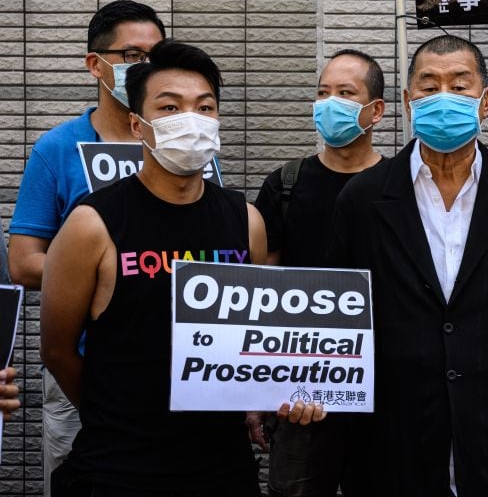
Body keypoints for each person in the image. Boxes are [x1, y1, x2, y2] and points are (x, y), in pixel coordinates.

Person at [40, 40, 319, 496]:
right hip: (118, 469)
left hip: (223, 467)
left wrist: (277, 395)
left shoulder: (245, 220)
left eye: (204, 107)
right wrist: (116, 416)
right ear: (138, 125)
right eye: (169, 107)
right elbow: (57, 349)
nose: (190, 119)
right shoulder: (93, 224)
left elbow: (252, 339)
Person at [328, 35, 488, 496]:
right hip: (392, 445)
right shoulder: (363, 199)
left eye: (459, 85)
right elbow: (340, 321)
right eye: (429, 87)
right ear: (409, 102)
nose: (443, 98)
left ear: (485, 101)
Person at [7, 0, 165, 494]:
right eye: (132, 56)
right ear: (95, 65)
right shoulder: (57, 148)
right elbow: (23, 261)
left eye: (155, 57)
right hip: (81, 366)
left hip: (174, 366)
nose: (146, 68)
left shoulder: (180, 144)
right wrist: (107, 270)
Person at [248, 49, 385, 497]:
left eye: (346, 94)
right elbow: (261, 293)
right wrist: (256, 396)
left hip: (388, 395)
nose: (330, 104)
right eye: (323, 93)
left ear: (375, 111)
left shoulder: (402, 185)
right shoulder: (285, 184)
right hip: (300, 395)